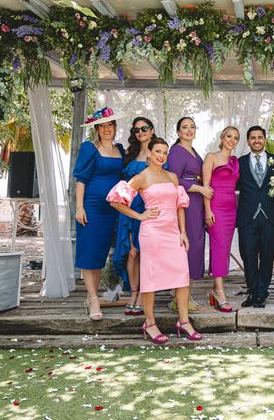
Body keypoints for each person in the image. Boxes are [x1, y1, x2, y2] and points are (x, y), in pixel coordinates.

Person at [107, 137, 202, 343]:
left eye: (165, 152)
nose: (161, 156)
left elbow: (179, 206)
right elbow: (115, 200)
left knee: (182, 275)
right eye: (157, 151)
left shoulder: (172, 177)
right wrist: (139, 216)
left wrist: (183, 232)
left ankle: (184, 321)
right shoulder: (141, 177)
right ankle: (149, 323)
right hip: (152, 233)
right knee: (150, 278)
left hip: (173, 232)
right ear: (149, 153)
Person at [73, 107, 128, 321]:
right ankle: (94, 299)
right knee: (90, 254)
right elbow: (80, 179)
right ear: (97, 128)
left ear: (115, 128)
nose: (106, 129)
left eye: (110, 125)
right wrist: (79, 207)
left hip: (113, 209)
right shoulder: (89, 148)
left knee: (101, 255)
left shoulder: (120, 150)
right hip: (92, 207)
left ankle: (91, 295)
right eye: (102, 126)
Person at [167, 117, 213, 311]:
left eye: (192, 127)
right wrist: (200, 189)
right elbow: (173, 178)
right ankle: (182, 298)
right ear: (178, 132)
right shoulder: (176, 151)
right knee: (188, 247)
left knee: (195, 247)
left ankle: (182, 296)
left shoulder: (194, 151)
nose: (189, 130)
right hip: (185, 203)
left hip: (196, 204)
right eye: (184, 127)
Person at [113, 117, 155, 316]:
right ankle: (134, 293)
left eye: (144, 128)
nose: (140, 132)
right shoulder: (129, 154)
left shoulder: (158, 152)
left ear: (152, 130)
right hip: (130, 208)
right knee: (132, 252)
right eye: (137, 129)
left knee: (146, 251)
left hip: (148, 207)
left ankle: (145, 294)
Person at [236, 126, 274, 308]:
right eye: (253, 138)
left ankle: (262, 293)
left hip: (271, 216)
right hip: (247, 216)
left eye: (260, 137)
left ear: (265, 139)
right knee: (248, 256)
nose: (256, 140)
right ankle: (253, 291)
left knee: (267, 256)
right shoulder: (239, 162)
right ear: (248, 141)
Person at [202, 126, 240, 312]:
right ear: (222, 137)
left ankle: (214, 289)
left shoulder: (234, 161)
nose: (232, 140)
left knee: (225, 249)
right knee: (219, 248)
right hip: (216, 207)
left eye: (236, 138)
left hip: (231, 208)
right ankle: (220, 291)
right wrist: (208, 210)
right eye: (229, 136)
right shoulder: (211, 157)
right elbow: (205, 186)